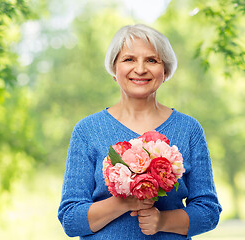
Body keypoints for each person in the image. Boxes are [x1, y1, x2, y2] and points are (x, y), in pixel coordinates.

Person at [58, 24, 221, 239]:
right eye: (129, 59)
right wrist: (126, 201)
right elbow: (71, 220)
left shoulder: (189, 129)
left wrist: (162, 221)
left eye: (152, 60)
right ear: (114, 68)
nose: (141, 69)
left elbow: (208, 211)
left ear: (165, 71)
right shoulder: (87, 131)